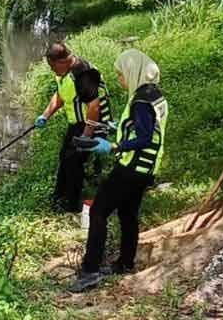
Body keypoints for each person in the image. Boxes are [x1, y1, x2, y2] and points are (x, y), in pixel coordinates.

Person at [69, 49, 169, 292]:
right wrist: (118, 126)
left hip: (131, 167)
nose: (120, 80)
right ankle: (125, 263)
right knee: (128, 214)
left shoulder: (141, 102)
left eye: (121, 75)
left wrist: (115, 145)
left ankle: (90, 271)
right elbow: (147, 128)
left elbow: (145, 137)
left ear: (133, 72)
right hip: (146, 169)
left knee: (99, 211)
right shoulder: (154, 94)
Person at [34, 42, 113, 212]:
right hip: (76, 123)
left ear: (62, 61)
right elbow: (61, 95)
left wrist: (86, 136)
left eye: (52, 66)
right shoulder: (63, 73)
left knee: (75, 161)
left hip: (93, 123)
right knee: (65, 157)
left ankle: (72, 205)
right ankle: (59, 197)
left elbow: (94, 107)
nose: (52, 70)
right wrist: (45, 115)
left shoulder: (83, 74)